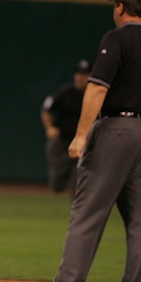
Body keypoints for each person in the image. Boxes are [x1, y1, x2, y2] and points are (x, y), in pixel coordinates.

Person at [21, 0, 141, 282]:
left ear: (121, 7)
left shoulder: (116, 39)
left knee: (87, 214)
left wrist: (81, 136)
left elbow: (96, 90)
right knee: (140, 220)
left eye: (115, 5)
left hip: (118, 131)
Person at [41, 60, 92, 195]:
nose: (81, 77)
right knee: (57, 184)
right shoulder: (65, 93)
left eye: (85, 74)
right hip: (62, 143)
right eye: (78, 73)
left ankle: (77, 213)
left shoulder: (94, 96)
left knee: (78, 184)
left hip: (83, 145)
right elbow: (46, 109)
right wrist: (50, 128)